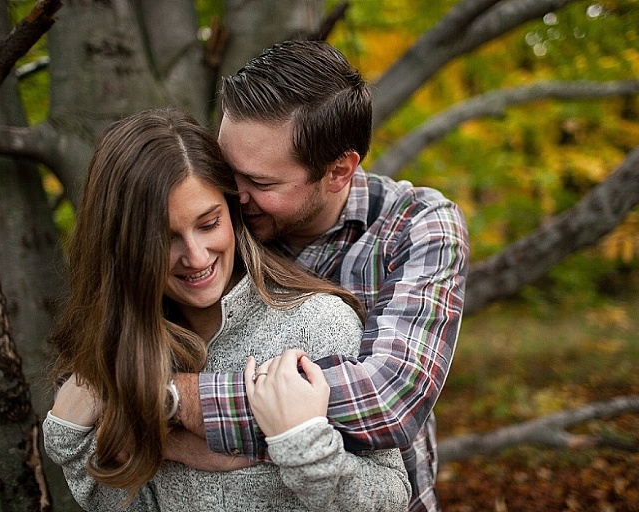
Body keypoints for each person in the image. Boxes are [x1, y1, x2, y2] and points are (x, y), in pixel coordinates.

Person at [41, 107, 411, 511]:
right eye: (165, 238)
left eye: (208, 223)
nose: (197, 257)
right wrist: (70, 436)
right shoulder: (132, 345)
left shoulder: (317, 322)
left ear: (233, 211)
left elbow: (391, 497)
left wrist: (301, 447)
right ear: (123, 248)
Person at [168, 40, 469, 512]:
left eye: (261, 183)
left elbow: (387, 399)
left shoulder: (418, 225)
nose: (232, 195)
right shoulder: (213, 230)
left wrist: (171, 403)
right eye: (228, 171)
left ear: (338, 171)